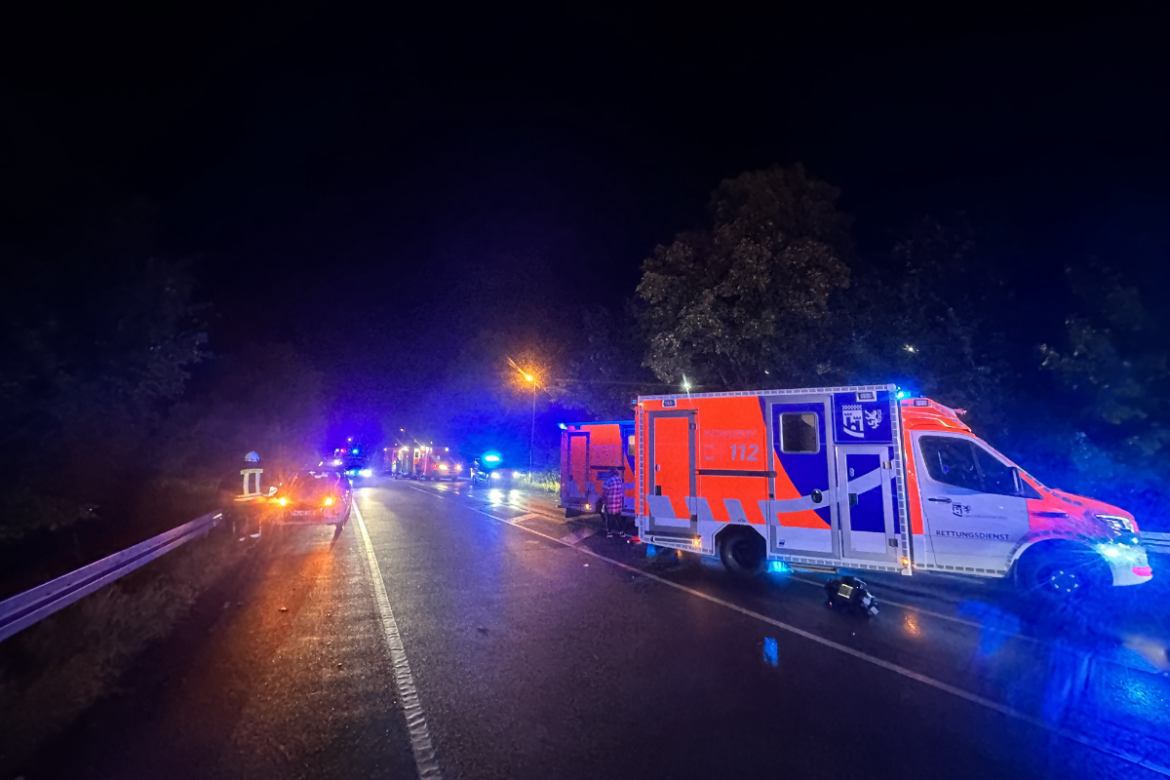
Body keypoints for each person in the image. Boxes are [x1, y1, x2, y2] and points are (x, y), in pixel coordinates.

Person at [601, 468, 625, 538]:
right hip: (618, 502)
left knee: (609, 518)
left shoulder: (608, 481)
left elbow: (605, 493)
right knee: (618, 518)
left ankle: (609, 533)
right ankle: (622, 532)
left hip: (610, 503)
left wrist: (603, 500)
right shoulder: (620, 480)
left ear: (611, 473)